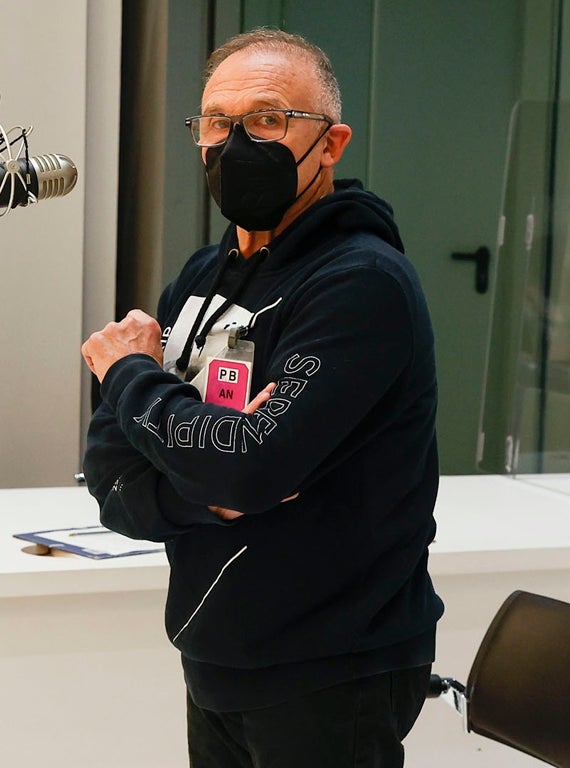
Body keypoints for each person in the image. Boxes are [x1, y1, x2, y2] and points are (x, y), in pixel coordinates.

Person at [80, 28, 443, 768]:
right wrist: (204, 489)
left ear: (331, 143)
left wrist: (127, 375)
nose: (235, 143)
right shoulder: (202, 277)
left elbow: (245, 466)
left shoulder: (360, 284)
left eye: (268, 119)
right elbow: (113, 477)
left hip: (333, 662)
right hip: (216, 647)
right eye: (217, 122)